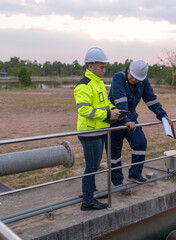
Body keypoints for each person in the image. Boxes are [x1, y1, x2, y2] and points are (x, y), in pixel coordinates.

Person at [74, 47, 121, 211]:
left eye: (104, 67)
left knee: (93, 165)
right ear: (90, 66)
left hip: (100, 130)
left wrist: (114, 109)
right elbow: (84, 110)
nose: (104, 70)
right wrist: (107, 114)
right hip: (90, 132)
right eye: (101, 67)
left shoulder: (98, 83)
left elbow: (104, 103)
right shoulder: (83, 86)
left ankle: (91, 192)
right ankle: (87, 201)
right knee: (92, 167)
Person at [108, 59, 169, 185]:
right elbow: (121, 102)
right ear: (129, 69)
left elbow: (151, 100)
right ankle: (117, 181)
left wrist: (163, 116)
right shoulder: (118, 78)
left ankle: (134, 174)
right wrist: (126, 120)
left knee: (140, 143)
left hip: (132, 119)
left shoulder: (143, 81)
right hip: (115, 120)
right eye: (133, 77)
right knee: (114, 153)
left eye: (138, 79)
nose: (135, 81)